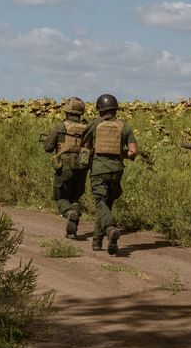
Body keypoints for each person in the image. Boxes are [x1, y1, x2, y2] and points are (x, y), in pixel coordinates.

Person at [81, 94, 138, 255]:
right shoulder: (124, 127)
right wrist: (122, 154)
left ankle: (111, 228)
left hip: (99, 170)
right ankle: (97, 241)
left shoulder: (94, 125)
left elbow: (85, 145)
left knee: (100, 203)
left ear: (99, 109)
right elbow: (133, 151)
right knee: (106, 203)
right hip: (116, 171)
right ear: (115, 109)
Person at [43, 97, 88, 239]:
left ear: (67, 111)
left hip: (64, 167)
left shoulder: (61, 126)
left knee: (60, 197)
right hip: (82, 167)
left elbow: (48, 148)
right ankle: (72, 231)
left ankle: (69, 213)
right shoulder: (87, 128)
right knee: (75, 197)